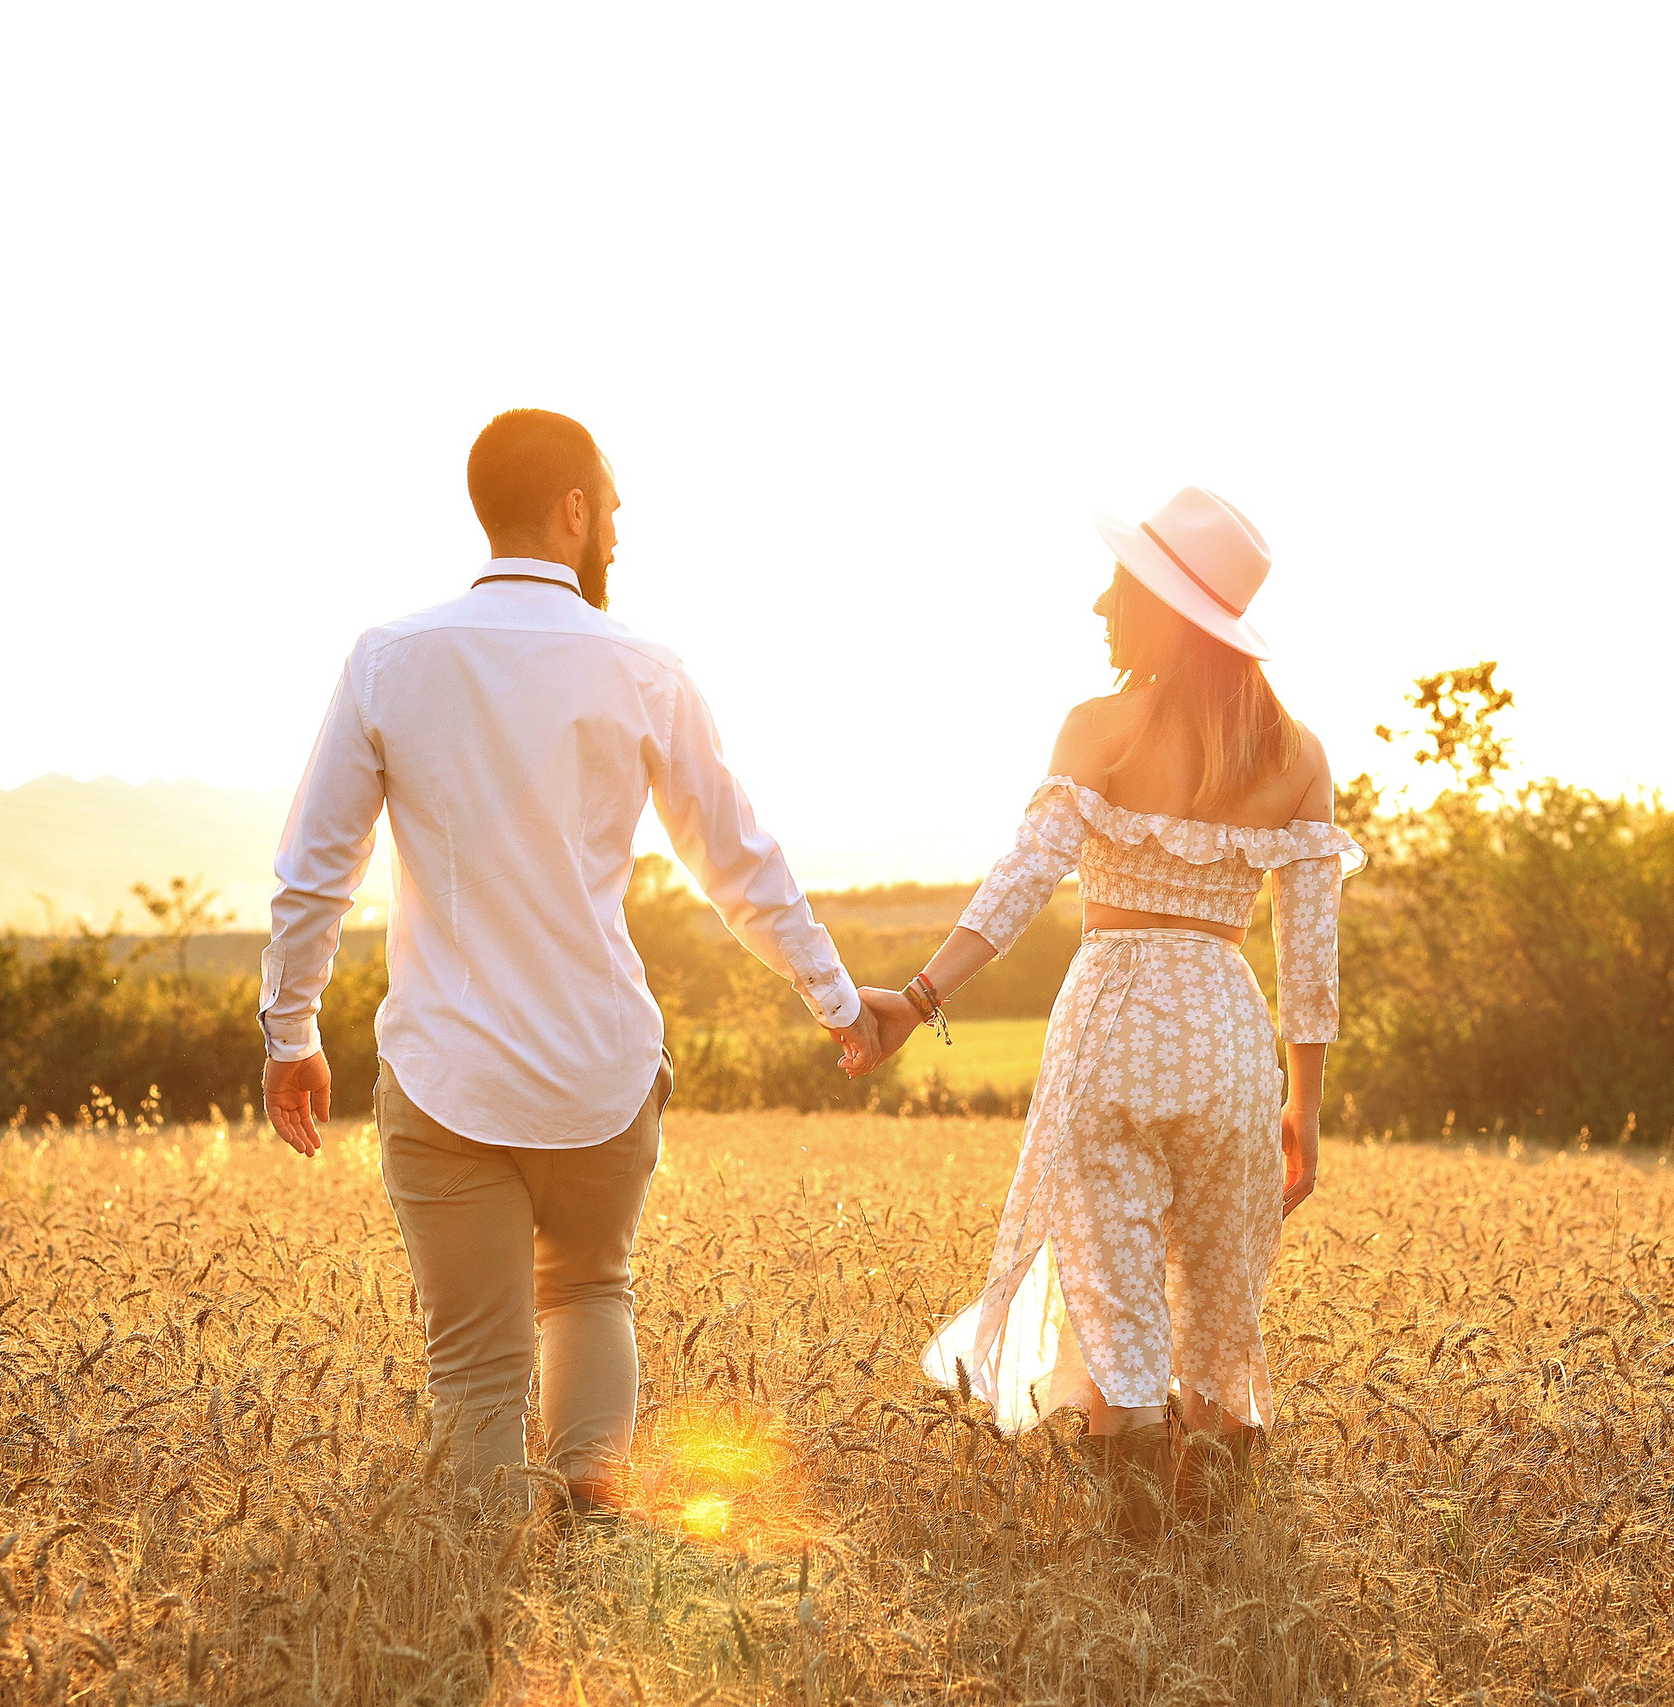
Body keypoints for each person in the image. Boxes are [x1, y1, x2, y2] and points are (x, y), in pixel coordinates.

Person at [257, 408, 880, 1518]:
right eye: (616, 511)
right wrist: (835, 999)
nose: (620, 535)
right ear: (575, 509)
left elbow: (317, 872)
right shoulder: (645, 668)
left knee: (473, 1371)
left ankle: (486, 1581)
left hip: (446, 1077)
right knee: (591, 1289)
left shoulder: (390, 658)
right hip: (602, 1072)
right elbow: (737, 861)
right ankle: (594, 1537)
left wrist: (290, 1031)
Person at [858, 486, 1362, 1540]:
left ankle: (1134, 1567)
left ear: (1169, 610)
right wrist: (1305, 1110)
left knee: (1120, 1314)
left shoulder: (1097, 728)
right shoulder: (1298, 755)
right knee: (1221, 1317)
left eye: (1118, 588)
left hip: (1113, 1030)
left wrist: (916, 999)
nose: (1099, 606)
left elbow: (1021, 880)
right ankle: (1212, 1570)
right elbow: (1309, 957)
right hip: (1229, 1042)